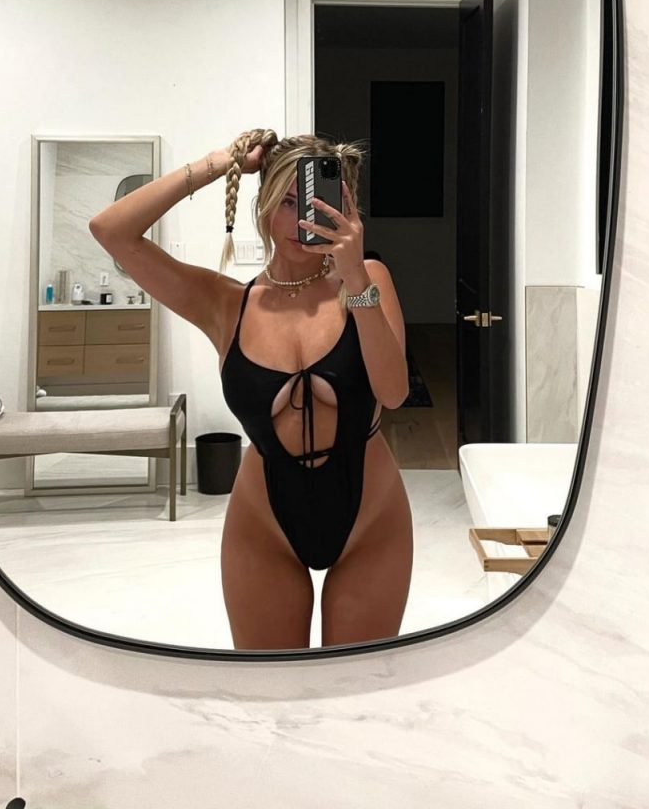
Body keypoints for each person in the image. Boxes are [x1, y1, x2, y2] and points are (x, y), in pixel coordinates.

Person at [89, 129, 413, 650]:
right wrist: (223, 163)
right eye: (287, 202)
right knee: (270, 689)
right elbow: (110, 230)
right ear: (263, 204)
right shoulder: (224, 303)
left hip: (370, 521)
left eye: (319, 204)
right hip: (264, 526)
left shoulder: (368, 279)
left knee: (356, 685)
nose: (303, 219)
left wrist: (354, 278)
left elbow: (393, 392)